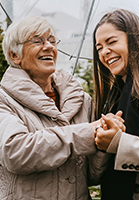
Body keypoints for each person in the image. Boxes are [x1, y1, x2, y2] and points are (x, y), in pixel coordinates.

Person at [0, 16, 125, 200]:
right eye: (37, 41)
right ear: (14, 55)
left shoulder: (82, 100)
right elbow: (15, 152)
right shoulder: (4, 100)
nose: (49, 46)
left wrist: (104, 140)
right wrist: (88, 131)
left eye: (52, 40)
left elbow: (91, 175)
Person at [93, 8, 139, 200]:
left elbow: (120, 146)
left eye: (111, 42)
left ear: (135, 39)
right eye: (99, 48)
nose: (105, 52)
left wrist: (119, 143)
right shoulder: (114, 96)